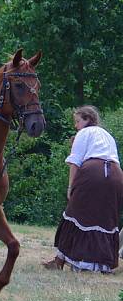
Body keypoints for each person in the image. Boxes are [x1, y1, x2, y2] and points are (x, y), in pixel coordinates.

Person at [44, 105, 123, 273]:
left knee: (74, 213)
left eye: (78, 121)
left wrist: (71, 187)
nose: (76, 125)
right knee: (104, 218)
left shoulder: (84, 133)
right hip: (116, 175)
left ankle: (61, 261)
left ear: (88, 120)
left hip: (92, 172)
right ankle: (101, 265)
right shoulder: (107, 135)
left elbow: (75, 162)